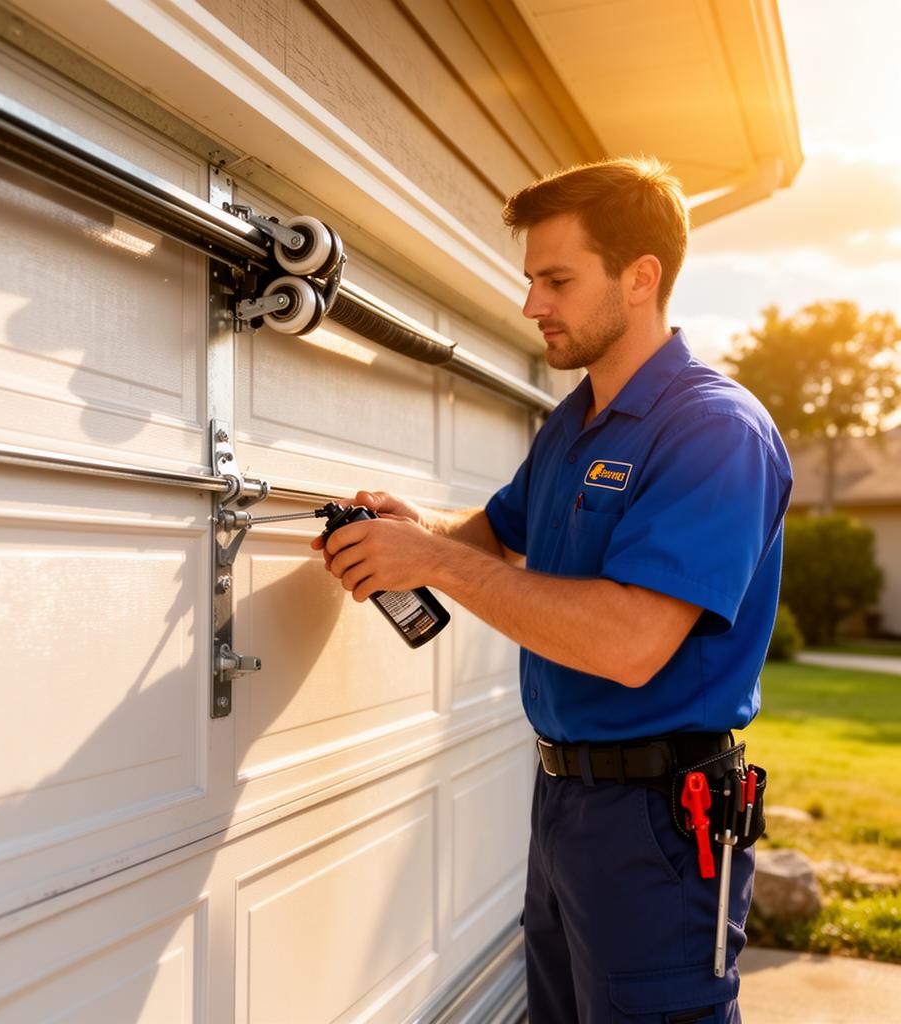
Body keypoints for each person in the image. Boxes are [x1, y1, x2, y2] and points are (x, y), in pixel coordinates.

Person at [311, 157, 792, 1023]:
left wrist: (437, 564)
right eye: (531, 278)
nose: (532, 304)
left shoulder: (714, 432)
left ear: (641, 277)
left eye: (557, 280)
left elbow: (628, 642)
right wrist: (415, 531)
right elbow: (495, 533)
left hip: (660, 825)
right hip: (566, 806)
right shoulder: (576, 421)